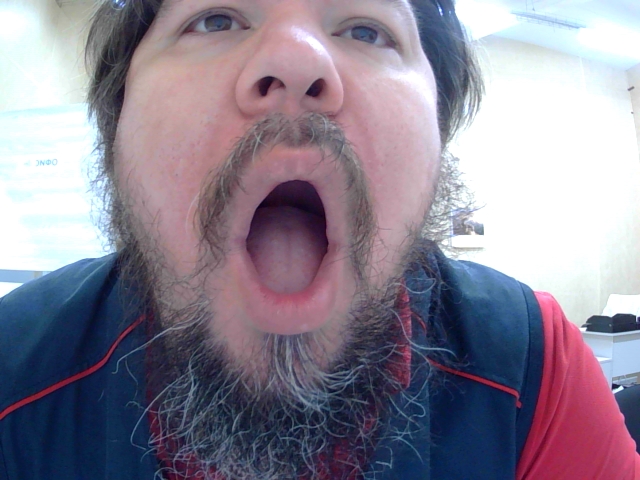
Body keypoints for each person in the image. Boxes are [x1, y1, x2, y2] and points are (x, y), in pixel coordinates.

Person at [0, 0, 638, 478]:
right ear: (114, 133)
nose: (296, 58)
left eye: (366, 29)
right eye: (215, 19)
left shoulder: (534, 367)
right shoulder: (15, 364)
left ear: (438, 141)